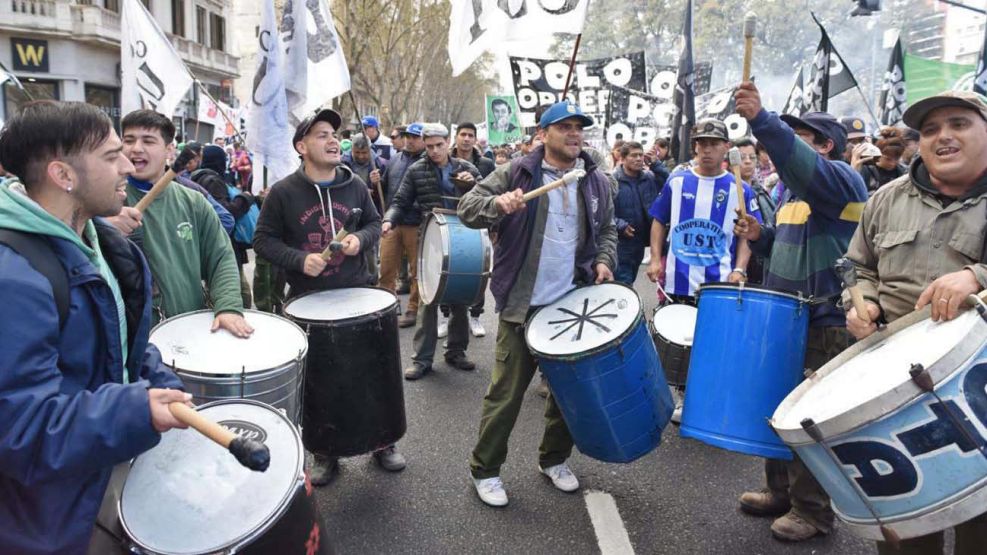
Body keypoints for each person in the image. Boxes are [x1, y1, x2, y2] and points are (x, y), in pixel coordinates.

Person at [0, 100, 191, 554]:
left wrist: (158, 381)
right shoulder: (13, 280)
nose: (128, 163)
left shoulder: (92, 241)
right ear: (63, 176)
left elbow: (116, 343)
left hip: (97, 473)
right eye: (110, 156)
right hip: (52, 519)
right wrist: (135, 411)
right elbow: (21, 428)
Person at [843, 90, 987, 555]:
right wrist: (861, 302)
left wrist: (976, 277)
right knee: (906, 525)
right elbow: (856, 266)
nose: (943, 136)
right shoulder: (885, 199)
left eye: (959, 124)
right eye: (929, 130)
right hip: (896, 390)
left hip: (978, 390)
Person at [458, 100, 616, 507]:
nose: (575, 134)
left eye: (579, 127)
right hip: (522, 307)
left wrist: (602, 260)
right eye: (564, 127)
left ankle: (554, 459)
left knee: (569, 396)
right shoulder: (518, 173)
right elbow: (467, 208)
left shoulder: (594, 180)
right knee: (505, 396)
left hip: (570, 308)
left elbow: (607, 230)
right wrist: (498, 204)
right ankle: (486, 470)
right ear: (542, 135)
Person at [732, 81, 869, 542]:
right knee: (780, 408)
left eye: (799, 138)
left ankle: (813, 512)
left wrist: (762, 119)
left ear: (825, 146)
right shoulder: (792, 195)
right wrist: (760, 236)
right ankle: (781, 492)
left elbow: (795, 159)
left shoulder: (840, 180)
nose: (778, 151)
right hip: (786, 317)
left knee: (810, 420)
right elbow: (784, 247)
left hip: (825, 322)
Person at [252, 108, 402, 485]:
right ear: (301, 146)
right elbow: (263, 241)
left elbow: (372, 222)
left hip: (359, 295)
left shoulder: (354, 185)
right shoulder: (284, 193)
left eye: (334, 134)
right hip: (308, 302)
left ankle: (383, 441)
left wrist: (360, 240)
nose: (333, 139)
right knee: (320, 383)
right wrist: (300, 260)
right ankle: (325, 450)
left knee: (373, 375)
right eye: (321, 134)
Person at [645, 119, 760, 422]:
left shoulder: (740, 189)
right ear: (694, 147)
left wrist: (739, 269)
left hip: (717, 281)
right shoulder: (677, 181)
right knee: (681, 343)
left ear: (726, 147)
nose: (707, 150)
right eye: (701, 144)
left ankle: (710, 395)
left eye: (713, 143)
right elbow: (659, 220)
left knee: (713, 342)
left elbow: (746, 234)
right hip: (678, 280)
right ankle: (684, 397)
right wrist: (656, 259)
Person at [109, 110, 252, 335]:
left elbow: (221, 257)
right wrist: (102, 227)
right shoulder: (103, 199)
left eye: (148, 141)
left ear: (169, 150)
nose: (136, 148)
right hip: (133, 337)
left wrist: (228, 307)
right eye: (129, 140)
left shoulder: (193, 200)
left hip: (188, 330)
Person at [382, 123, 481, 380]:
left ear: (449, 142)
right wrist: (389, 220)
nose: (435, 151)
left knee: (460, 297)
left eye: (439, 145)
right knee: (428, 298)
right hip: (430, 236)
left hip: (462, 236)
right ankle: (422, 359)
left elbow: (484, 201)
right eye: (430, 146)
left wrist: (470, 187)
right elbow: (400, 201)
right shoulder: (416, 170)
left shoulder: (467, 169)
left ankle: (456, 352)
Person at [192, 144, 256, 308]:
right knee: (239, 293)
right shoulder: (214, 181)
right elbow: (225, 215)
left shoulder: (195, 178)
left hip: (208, 244)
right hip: (224, 245)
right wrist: (245, 198)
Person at [450, 122, 496, 336]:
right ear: (456, 137)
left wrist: (474, 181)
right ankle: (447, 316)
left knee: (479, 269)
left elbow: (494, 191)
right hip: (451, 219)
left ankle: (475, 316)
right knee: (450, 267)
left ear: (475, 139)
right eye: (463, 134)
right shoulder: (445, 160)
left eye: (470, 135)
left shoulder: (486, 163)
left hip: (479, 221)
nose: (466, 138)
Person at [379, 123, 426, 324]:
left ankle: (413, 309)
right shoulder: (394, 160)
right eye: (407, 136)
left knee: (417, 271)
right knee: (387, 268)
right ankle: (388, 307)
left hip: (416, 224)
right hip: (392, 224)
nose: (410, 140)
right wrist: (376, 182)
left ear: (423, 140)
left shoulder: (427, 163)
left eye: (415, 137)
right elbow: (385, 186)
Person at [613, 141, 660, 285]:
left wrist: (656, 165)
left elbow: (669, 183)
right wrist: (620, 225)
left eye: (641, 155)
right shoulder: (613, 181)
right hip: (620, 243)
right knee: (623, 283)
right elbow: (603, 213)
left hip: (640, 242)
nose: (639, 159)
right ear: (623, 158)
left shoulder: (649, 178)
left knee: (630, 278)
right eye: (634, 155)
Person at [734, 138, 777, 284]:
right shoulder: (728, 191)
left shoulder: (762, 192)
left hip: (760, 267)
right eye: (742, 157)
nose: (747, 162)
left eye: (752, 157)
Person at [854, 126, 908, 195]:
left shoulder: (904, 173)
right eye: (888, 159)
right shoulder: (865, 171)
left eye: (896, 159)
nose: (892, 163)